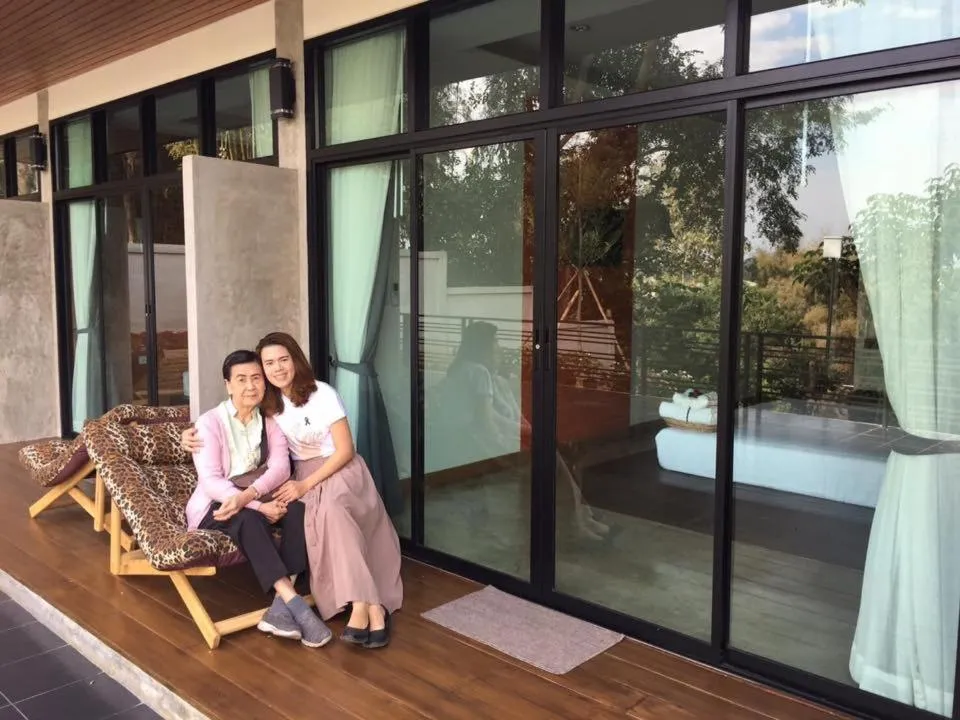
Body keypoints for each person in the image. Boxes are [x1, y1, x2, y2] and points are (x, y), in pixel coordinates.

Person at [183, 333, 402, 649]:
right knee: (280, 516)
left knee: (315, 512)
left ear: (295, 360)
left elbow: (307, 460)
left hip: (326, 471)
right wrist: (186, 437)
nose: (273, 371)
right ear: (229, 384)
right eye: (267, 364)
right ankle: (298, 602)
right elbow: (213, 470)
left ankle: (354, 605)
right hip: (247, 494)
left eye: (281, 361)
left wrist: (274, 492)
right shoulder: (239, 414)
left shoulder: (299, 402)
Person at [186, 349, 332, 648]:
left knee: (298, 510)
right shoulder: (209, 423)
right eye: (241, 379)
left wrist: (255, 498)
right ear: (228, 385)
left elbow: (280, 468)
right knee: (249, 519)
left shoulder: (270, 420)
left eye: (256, 378)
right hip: (216, 505)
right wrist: (256, 505)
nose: (250, 386)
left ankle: (279, 609)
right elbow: (211, 482)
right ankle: (296, 604)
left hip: (255, 497)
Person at [432, 321, 609, 542]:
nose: (498, 347)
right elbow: (487, 420)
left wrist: (528, 432)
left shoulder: (460, 370)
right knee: (553, 459)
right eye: (495, 342)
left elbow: (488, 416)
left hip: (464, 440)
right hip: (481, 443)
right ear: (483, 345)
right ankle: (578, 522)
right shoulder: (478, 373)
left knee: (557, 456)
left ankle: (581, 518)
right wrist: (514, 440)